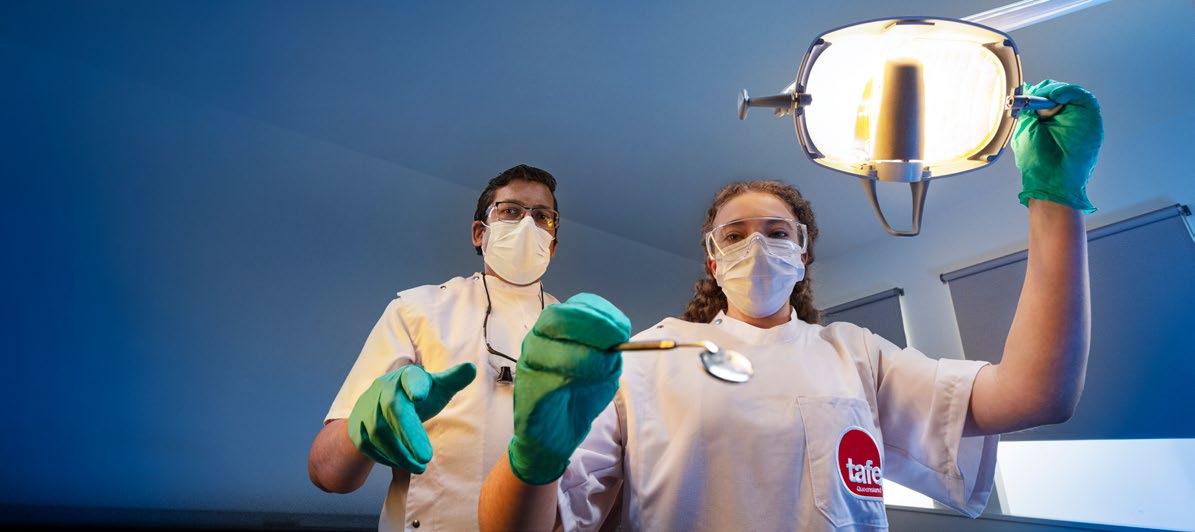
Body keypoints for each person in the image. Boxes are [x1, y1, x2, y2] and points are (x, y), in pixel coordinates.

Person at [476, 80, 1100, 531]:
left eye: (777, 232)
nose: (757, 245)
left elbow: (1035, 395)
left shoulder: (855, 354)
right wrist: (534, 451)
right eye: (734, 235)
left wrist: (1056, 199)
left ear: (802, 254)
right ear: (713, 261)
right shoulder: (647, 355)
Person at [308, 164, 565, 530]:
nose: (527, 224)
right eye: (510, 211)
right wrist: (365, 427)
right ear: (479, 233)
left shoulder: (578, 335)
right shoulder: (417, 310)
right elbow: (326, 474)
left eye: (541, 217)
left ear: (552, 245)